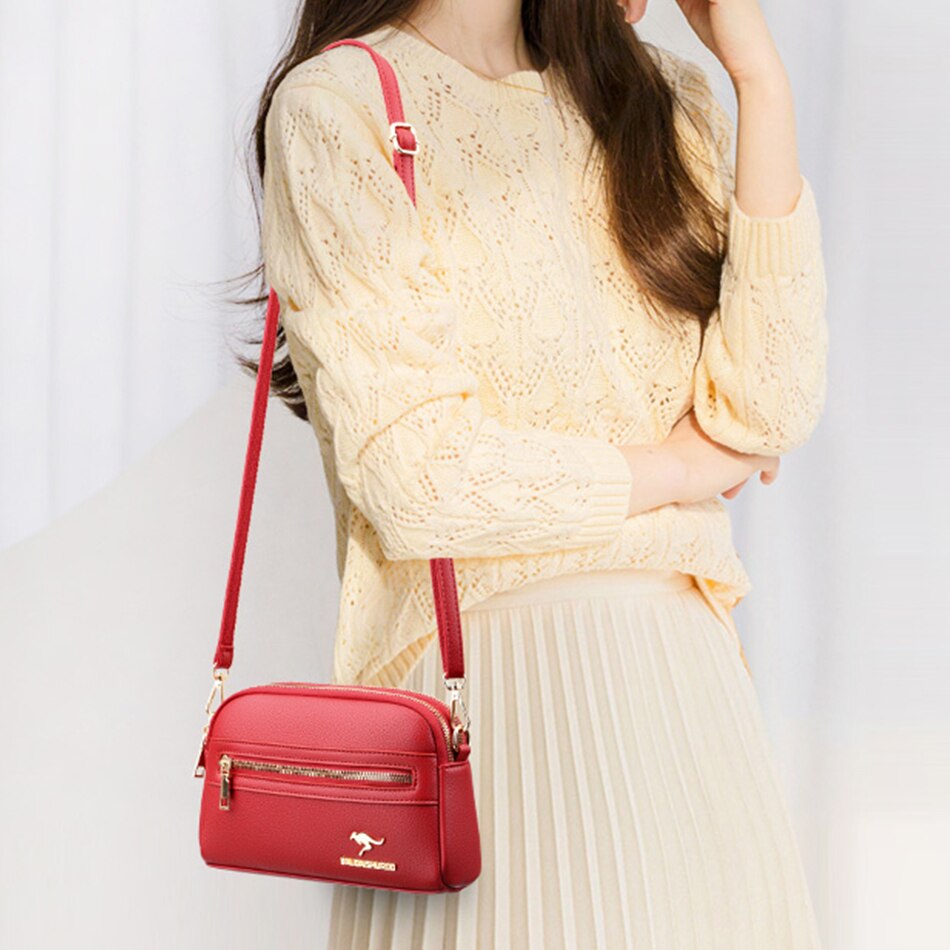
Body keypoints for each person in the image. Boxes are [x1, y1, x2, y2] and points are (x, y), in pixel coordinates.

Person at [245, 0, 828, 946]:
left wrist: (760, 80)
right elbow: (423, 482)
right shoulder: (342, 106)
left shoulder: (661, 100)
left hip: (690, 709)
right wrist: (680, 464)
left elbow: (771, 405)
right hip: (489, 706)